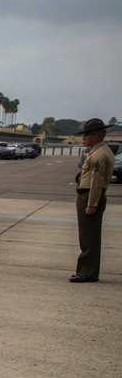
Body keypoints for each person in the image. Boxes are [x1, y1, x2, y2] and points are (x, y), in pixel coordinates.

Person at [70, 118, 115, 283]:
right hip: (89, 194)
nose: (83, 139)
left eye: (87, 135)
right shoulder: (101, 151)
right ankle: (88, 270)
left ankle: (87, 272)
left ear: (98, 135)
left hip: (90, 195)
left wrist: (92, 204)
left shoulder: (99, 155)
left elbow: (96, 181)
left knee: (88, 238)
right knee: (90, 237)